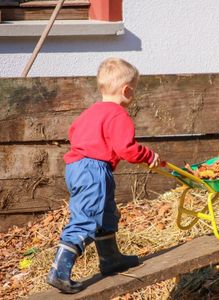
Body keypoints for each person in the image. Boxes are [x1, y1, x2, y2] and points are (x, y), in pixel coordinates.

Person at [47, 58, 160, 293]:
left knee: (106, 212)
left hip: (79, 167)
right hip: (94, 169)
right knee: (87, 219)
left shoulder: (90, 112)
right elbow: (126, 149)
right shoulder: (118, 115)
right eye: (134, 90)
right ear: (126, 90)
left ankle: (111, 259)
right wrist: (148, 156)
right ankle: (59, 271)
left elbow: (74, 132)